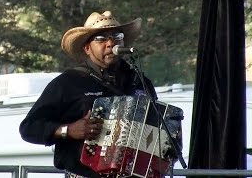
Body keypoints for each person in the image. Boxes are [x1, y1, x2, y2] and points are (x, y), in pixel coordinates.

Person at [19, 11, 158, 178]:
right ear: (87, 48)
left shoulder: (140, 81)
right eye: (100, 38)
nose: (110, 42)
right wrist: (68, 130)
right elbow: (29, 128)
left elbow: (155, 126)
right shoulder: (68, 83)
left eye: (116, 35)